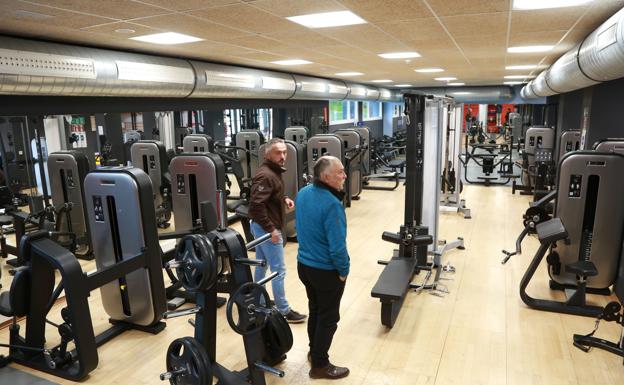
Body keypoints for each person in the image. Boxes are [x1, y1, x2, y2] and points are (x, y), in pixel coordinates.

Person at [295, 156, 350, 380]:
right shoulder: (332, 204)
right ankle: (320, 365)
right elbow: (338, 248)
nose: (345, 176)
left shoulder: (303, 193)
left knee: (316, 310)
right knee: (328, 318)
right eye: (340, 172)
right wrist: (344, 271)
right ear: (326, 177)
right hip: (325, 271)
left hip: (304, 267)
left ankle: (313, 351)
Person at [249, 137, 307, 323]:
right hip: (266, 228)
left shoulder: (273, 172)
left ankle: (256, 301)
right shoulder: (266, 175)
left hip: (263, 227)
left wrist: (283, 199)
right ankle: (283, 310)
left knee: (261, 264)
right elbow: (256, 206)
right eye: (278, 152)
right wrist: (272, 230)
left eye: (284, 152)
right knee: (278, 271)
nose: (283, 156)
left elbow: (269, 196)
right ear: (268, 154)